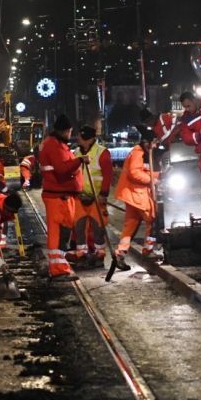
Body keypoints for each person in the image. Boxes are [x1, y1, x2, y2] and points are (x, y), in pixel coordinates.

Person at [39, 114, 85, 280]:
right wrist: (79, 161)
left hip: (61, 195)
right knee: (60, 233)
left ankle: (59, 265)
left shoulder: (55, 144)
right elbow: (62, 169)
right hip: (59, 196)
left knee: (60, 232)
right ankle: (58, 269)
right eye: (70, 131)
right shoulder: (54, 146)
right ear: (65, 130)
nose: (70, 134)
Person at [114, 127, 160, 269]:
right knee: (152, 220)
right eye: (154, 143)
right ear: (147, 143)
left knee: (130, 225)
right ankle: (148, 249)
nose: (156, 146)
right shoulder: (138, 153)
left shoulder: (141, 153)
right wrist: (152, 180)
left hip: (133, 194)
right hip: (137, 195)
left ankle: (120, 253)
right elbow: (134, 173)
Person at [70, 125, 112, 266]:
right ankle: (82, 255)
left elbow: (107, 176)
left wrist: (104, 194)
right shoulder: (76, 153)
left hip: (96, 197)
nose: (78, 139)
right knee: (79, 227)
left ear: (88, 139)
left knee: (98, 227)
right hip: (79, 196)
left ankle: (99, 255)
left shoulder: (102, 153)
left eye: (81, 137)